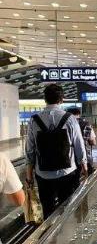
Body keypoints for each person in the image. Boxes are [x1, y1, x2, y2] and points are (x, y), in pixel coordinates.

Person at [25, 84, 88, 219]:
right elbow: (78, 144)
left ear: (45, 99)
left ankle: (49, 231)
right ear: (61, 99)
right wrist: (84, 166)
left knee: (47, 209)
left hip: (43, 174)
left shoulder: (34, 120)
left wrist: (29, 175)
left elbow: (30, 149)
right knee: (67, 208)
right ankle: (64, 229)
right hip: (67, 173)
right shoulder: (70, 118)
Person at [67, 107, 96, 172]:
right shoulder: (86, 123)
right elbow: (93, 141)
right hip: (83, 155)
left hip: (68, 156)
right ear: (79, 114)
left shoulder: (65, 123)